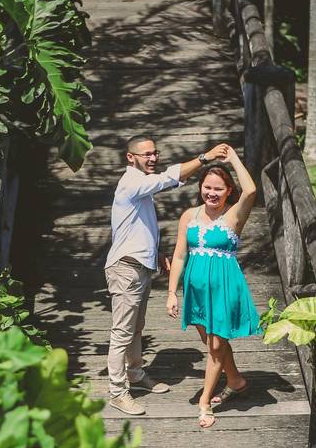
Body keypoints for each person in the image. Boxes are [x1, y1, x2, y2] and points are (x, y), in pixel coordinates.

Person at [105, 134, 229, 416]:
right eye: (146, 154)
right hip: (125, 268)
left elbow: (136, 227)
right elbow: (167, 178)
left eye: (154, 153)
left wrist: (156, 253)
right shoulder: (132, 183)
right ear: (130, 157)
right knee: (121, 332)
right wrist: (205, 158)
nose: (152, 158)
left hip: (140, 265)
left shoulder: (140, 188)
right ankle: (117, 392)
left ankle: (135, 375)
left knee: (136, 328)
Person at [165, 145, 259, 428]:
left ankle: (205, 401)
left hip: (224, 288)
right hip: (196, 290)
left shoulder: (233, 217)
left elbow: (251, 191)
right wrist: (171, 292)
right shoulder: (189, 216)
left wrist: (234, 159)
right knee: (211, 343)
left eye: (219, 189)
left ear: (229, 191)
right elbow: (180, 255)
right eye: (207, 187)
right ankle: (236, 380)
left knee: (216, 345)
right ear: (200, 188)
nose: (212, 193)